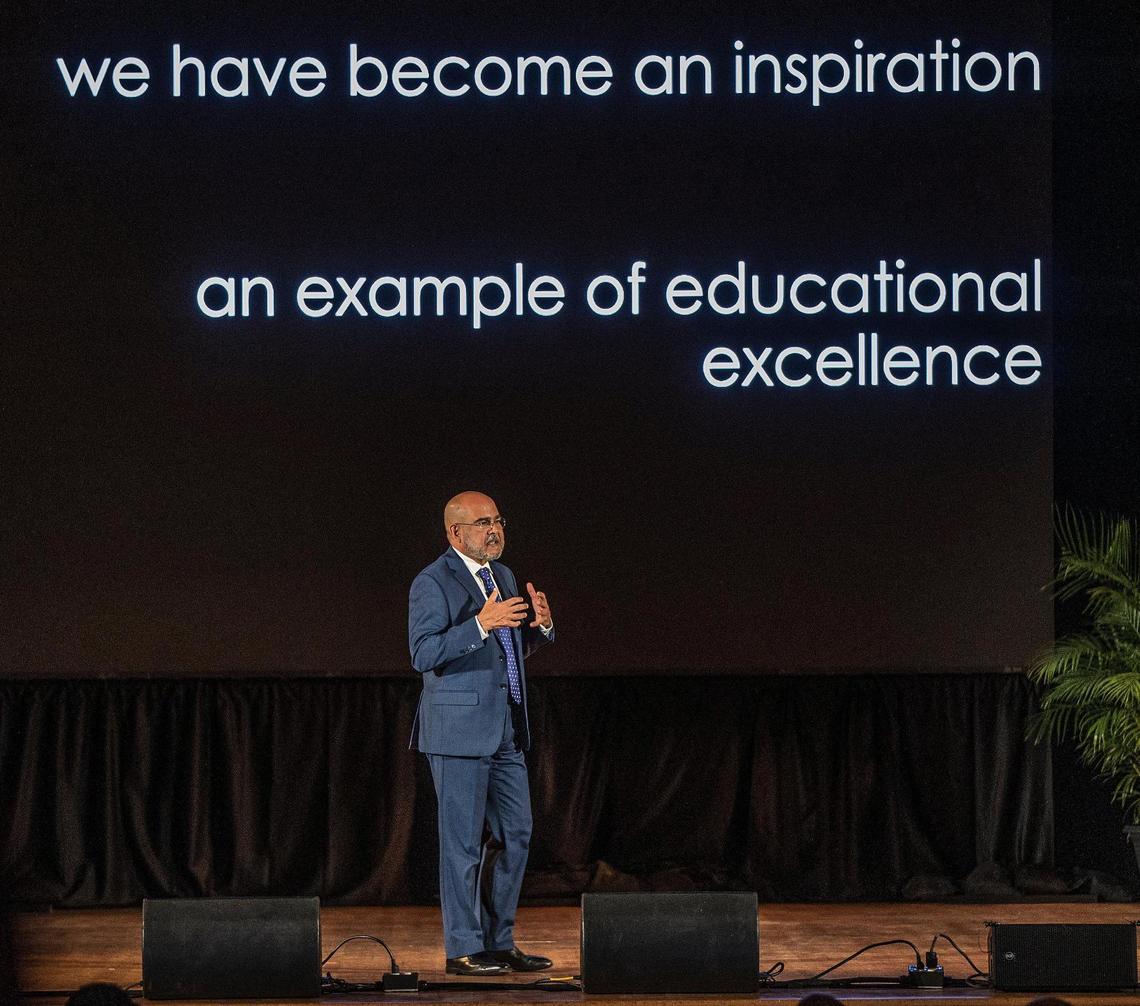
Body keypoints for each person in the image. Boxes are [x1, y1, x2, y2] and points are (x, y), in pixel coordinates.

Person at [408, 491, 555, 976]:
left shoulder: (504, 576)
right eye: (481, 523)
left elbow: (505, 655)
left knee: (516, 834)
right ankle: (462, 949)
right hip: (456, 732)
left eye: (497, 520)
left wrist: (541, 628)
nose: (494, 530)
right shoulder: (432, 582)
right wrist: (479, 623)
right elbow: (423, 653)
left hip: (504, 730)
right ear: (455, 533)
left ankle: (499, 941)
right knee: (462, 845)